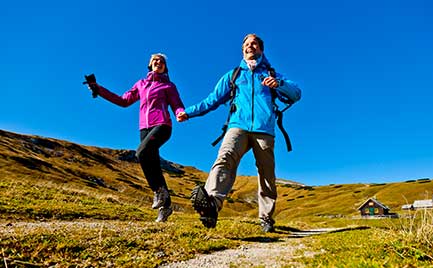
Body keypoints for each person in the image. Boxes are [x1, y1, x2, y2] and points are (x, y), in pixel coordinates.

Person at [177, 34, 301, 232]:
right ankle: (211, 205)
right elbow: (212, 100)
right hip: (238, 126)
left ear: (261, 49)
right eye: (246, 44)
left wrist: (279, 84)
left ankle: (266, 219)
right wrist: (188, 112)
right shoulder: (233, 75)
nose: (249, 46)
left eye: (254, 43)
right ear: (242, 50)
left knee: (266, 172)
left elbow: (296, 94)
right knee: (225, 157)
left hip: (264, 129)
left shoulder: (271, 74)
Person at [85, 53, 185, 222]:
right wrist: (98, 89)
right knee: (152, 164)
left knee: (141, 153)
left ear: (165, 67)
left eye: (161, 62)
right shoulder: (141, 84)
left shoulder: (168, 86)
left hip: (162, 125)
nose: (158, 63)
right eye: (155, 61)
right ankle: (165, 206)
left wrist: (180, 112)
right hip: (144, 129)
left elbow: (176, 103)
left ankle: (158, 193)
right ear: (149, 65)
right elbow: (123, 101)